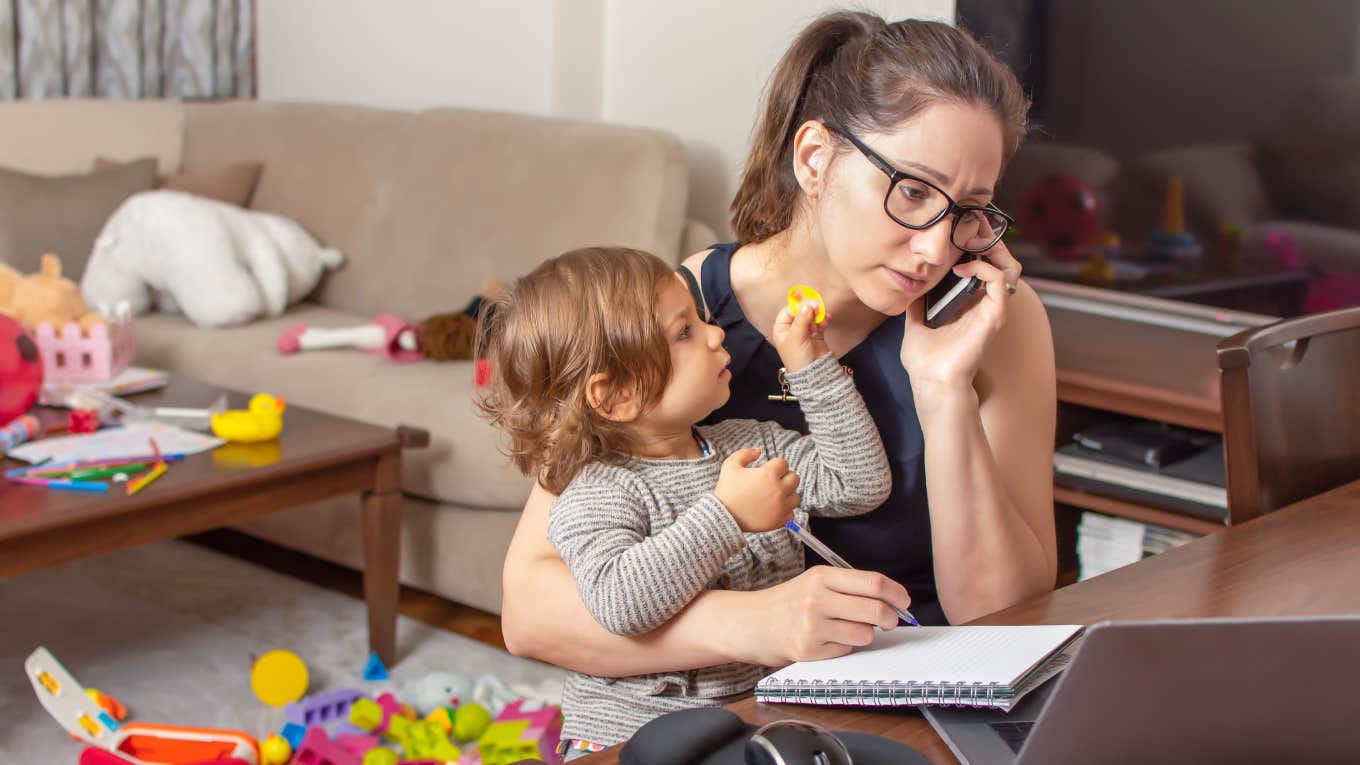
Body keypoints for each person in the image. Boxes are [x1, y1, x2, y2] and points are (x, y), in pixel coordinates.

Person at [501, 10, 1057, 691]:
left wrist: (943, 388)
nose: (936, 248)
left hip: (931, 688)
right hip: (741, 700)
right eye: (912, 191)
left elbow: (1004, 621)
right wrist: (756, 622)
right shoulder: (692, 310)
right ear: (815, 158)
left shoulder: (1002, 323)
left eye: (969, 208)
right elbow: (529, 610)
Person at [477, 246, 891, 756]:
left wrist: (811, 365)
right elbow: (620, 603)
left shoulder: (750, 443)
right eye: (685, 332)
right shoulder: (595, 490)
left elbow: (860, 482)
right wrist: (727, 516)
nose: (717, 334)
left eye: (701, 318)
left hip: (753, 722)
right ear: (614, 396)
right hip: (630, 740)